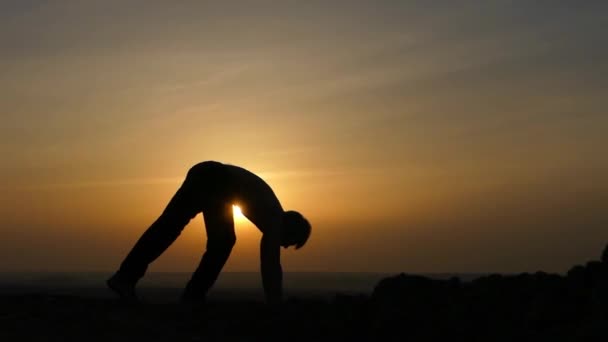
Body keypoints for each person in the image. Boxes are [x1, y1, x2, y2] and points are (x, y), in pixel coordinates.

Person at [107, 160, 311, 306]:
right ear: (290, 228)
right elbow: (270, 264)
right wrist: (275, 303)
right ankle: (192, 297)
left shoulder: (271, 209)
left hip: (207, 173)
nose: (284, 246)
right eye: (290, 242)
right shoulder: (275, 219)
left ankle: (125, 278)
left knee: (170, 227)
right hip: (217, 179)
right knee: (220, 241)